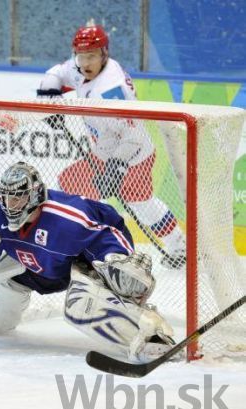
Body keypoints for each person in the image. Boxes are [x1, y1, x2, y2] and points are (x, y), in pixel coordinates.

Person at [0, 162, 176, 363]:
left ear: (34, 195)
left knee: (80, 307)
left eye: (18, 198)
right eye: (7, 197)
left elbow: (108, 226)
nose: (10, 205)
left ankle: (149, 336)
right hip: (29, 269)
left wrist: (116, 259)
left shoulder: (67, 220)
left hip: (73, 268)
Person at [36, 25, 186, 269]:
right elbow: (57, 72)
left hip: (133, 153)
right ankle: (70, 242)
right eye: (81, 55)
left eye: (91, 56)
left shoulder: (112, 88)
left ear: (104, 53)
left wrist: (116, 168)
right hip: (104, 149)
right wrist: (49, 97)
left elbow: (133, 135)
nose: (85, 62)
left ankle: (179, 245)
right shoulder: (80, 66)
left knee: (139, 201)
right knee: (69, 184)